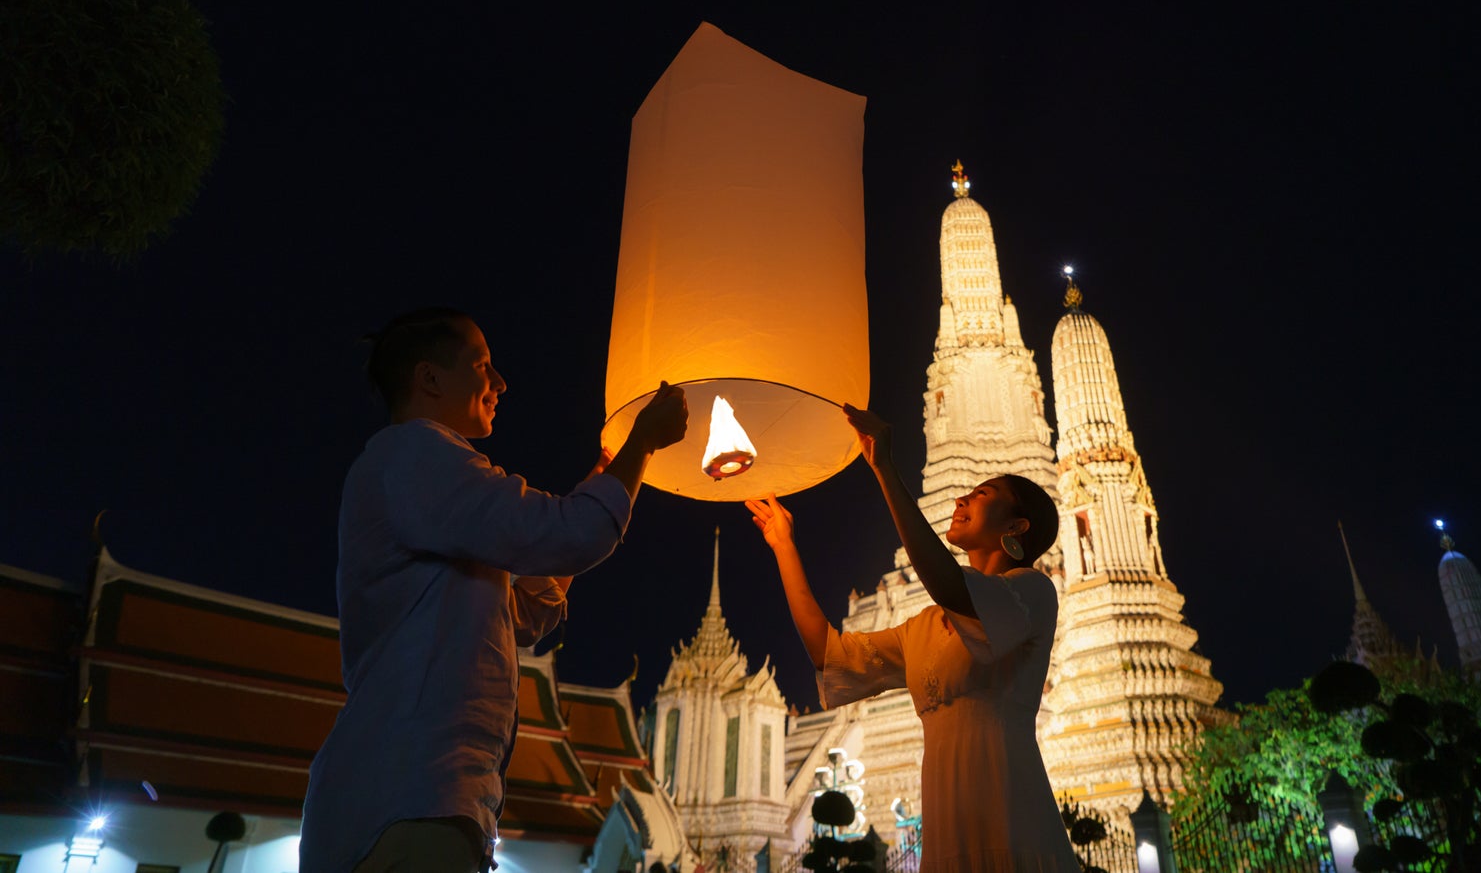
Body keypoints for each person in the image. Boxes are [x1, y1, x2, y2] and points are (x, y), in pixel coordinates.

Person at [300, 308, 688, 873]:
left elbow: (526, 612)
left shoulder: (424, 482)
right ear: (430, 379)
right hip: (408, 798)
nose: (500, 382)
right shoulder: (416, 455)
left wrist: (614, 471)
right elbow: (571, 534)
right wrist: (641, 446)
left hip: (423, 797)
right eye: (483, 365)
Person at [747, 405, 1078, 873]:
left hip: (1012, 813)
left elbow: (951, 585)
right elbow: (829, 653)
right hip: (945, 822)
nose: (961, 499)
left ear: (1015, 528)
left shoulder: (1032, 591)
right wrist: (784, 545)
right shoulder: (923, 625)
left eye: (981, 494)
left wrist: (885, 470)